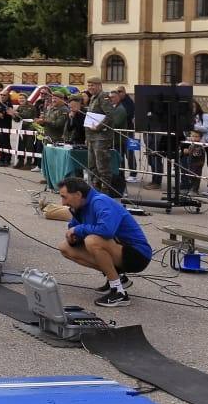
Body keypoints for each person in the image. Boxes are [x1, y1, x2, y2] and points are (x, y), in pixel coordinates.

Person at [56, 176, 151, 307]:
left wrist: (78, 230)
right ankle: (118, 278)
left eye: (64, 197)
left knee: (92, 241)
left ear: (78, 194)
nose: (62, 203)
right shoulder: (78, 207)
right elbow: (73, 229)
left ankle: (118, 292)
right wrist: (73, 237)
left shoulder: (100, 201)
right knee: (65, 247)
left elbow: (107, 231)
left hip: (138, 255)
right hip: (118, 249)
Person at [84, 79, 125, 195]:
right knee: (92, 166)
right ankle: (95, 190)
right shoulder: (93, 98)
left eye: (92, 85)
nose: (90, 87)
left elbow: (110, 115)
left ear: (99, 85)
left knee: (102, 166)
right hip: (92, 137)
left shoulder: (103, 97)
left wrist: (99, 127)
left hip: (101, 137)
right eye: (89, 85)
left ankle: (104, 192)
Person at [116, 86, 138, 183]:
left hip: (129, 132)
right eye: (117, 92)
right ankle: (121, 175)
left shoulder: (129, 102)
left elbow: (128, 114)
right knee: (119, 154)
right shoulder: (117, 103)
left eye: (120, 91)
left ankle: (133, 174)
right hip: (119, 133)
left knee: (130, 154)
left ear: (124, 92)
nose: (118, 93)